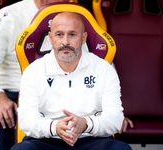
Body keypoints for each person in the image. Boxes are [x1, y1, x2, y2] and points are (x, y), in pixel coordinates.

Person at [11, 12, 132, 150]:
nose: (65, 42)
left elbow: (115, 119)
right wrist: (54, 127)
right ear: (50, 38)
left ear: (83, 38)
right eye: (59, 34)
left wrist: (86, 123)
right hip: (47, 140)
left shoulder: (104, 69)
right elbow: (26, 120)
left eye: (72, 34)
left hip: (91, 139)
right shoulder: (34, 71)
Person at [0, 0, 69, 150]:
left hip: (60, 90)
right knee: (6, 118)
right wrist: (0, 98)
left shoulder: (74, 16)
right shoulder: (8, 17)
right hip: (13, 93)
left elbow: (99, 62)